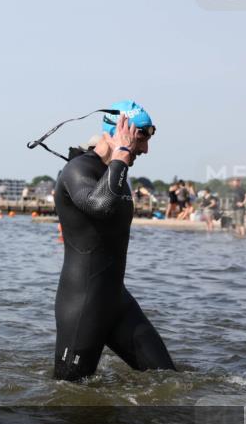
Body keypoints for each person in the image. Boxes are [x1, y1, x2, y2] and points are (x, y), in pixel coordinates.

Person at [51, 105, 176, 381]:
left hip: (116, 300)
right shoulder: (77, 170)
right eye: (140, 139)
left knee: (169, 379)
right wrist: (122, 153)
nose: (143, 150)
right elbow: (100, 205)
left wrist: (120, 158)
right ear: (118, 133)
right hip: (83, 303)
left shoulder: (117, 174)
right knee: (70, 393)